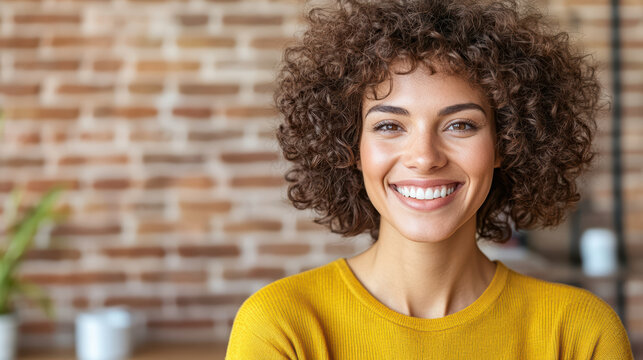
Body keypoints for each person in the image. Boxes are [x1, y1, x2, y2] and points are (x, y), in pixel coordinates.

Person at [225, 0, 634, 358]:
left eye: (460, 125)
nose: (424, 158)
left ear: (506, 143)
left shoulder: (580, 333)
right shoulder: (283, 327)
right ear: (350, 147)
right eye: (389, 127)